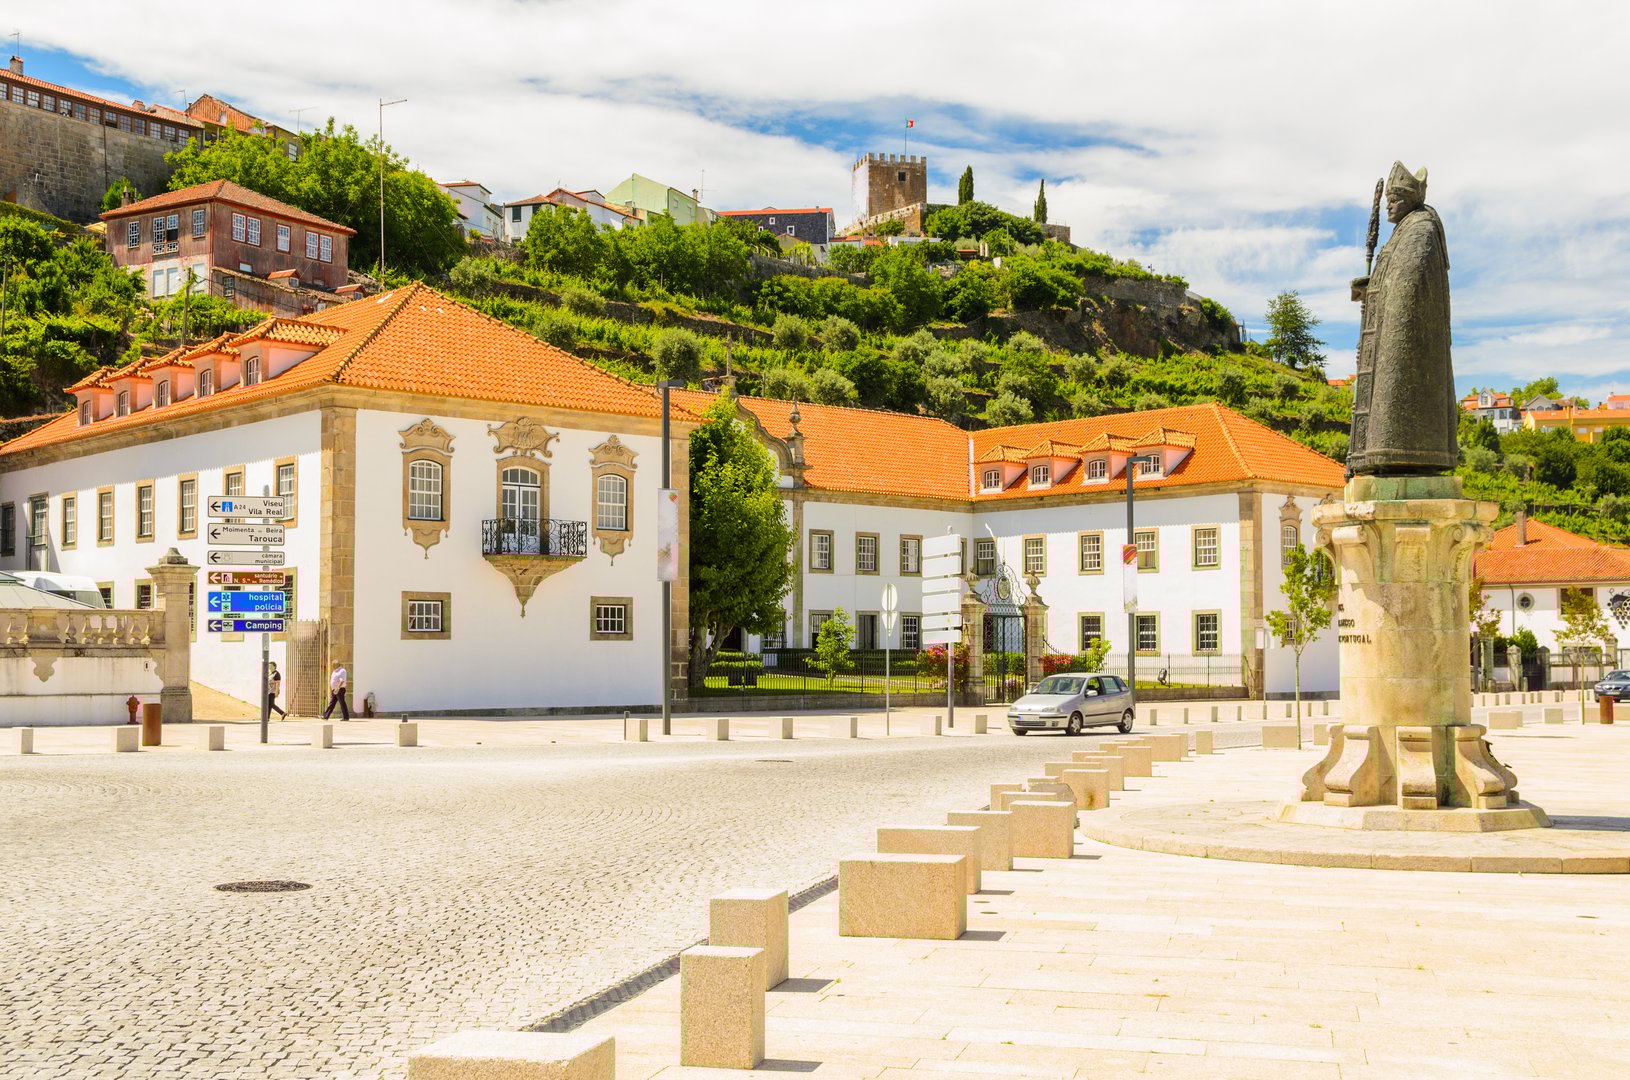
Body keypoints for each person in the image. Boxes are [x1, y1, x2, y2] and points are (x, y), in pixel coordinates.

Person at [1346, 160, 1457, 477]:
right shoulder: (1401, 232)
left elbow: (1408, 286)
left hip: (1403, 342)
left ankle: (1393, 453)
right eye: (1387, 201)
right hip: (1389, 335)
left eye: (1394, 200)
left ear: (1409, 200)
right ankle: (1375, 457)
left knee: (1395, 398)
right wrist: (1369, 288)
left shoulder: (1420, 229)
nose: (1388, 207)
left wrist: (1377, 297)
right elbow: (1393, 280)